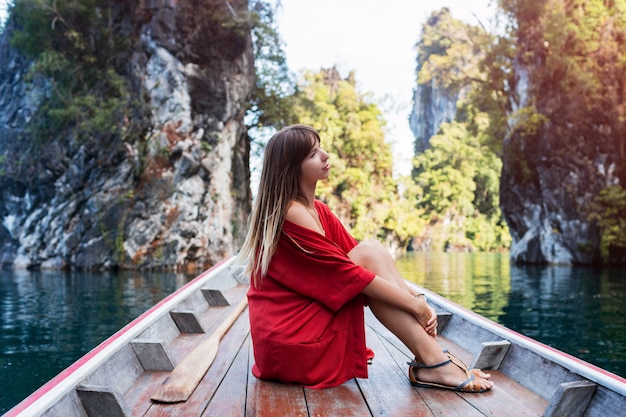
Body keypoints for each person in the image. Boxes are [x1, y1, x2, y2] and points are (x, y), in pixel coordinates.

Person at [238, 124, 493, 392]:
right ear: (292, 167)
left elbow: (364, 259)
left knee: (371, 248)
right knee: (369, 258)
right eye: (313, 154)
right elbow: (351, 276)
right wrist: (415, 307)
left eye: (320, 148)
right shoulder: (292, 213)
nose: (325, 156)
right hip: (289, 342)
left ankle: (432, 360)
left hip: (298, 330)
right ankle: (435, 363)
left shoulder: (318, 210)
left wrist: (416, 297)